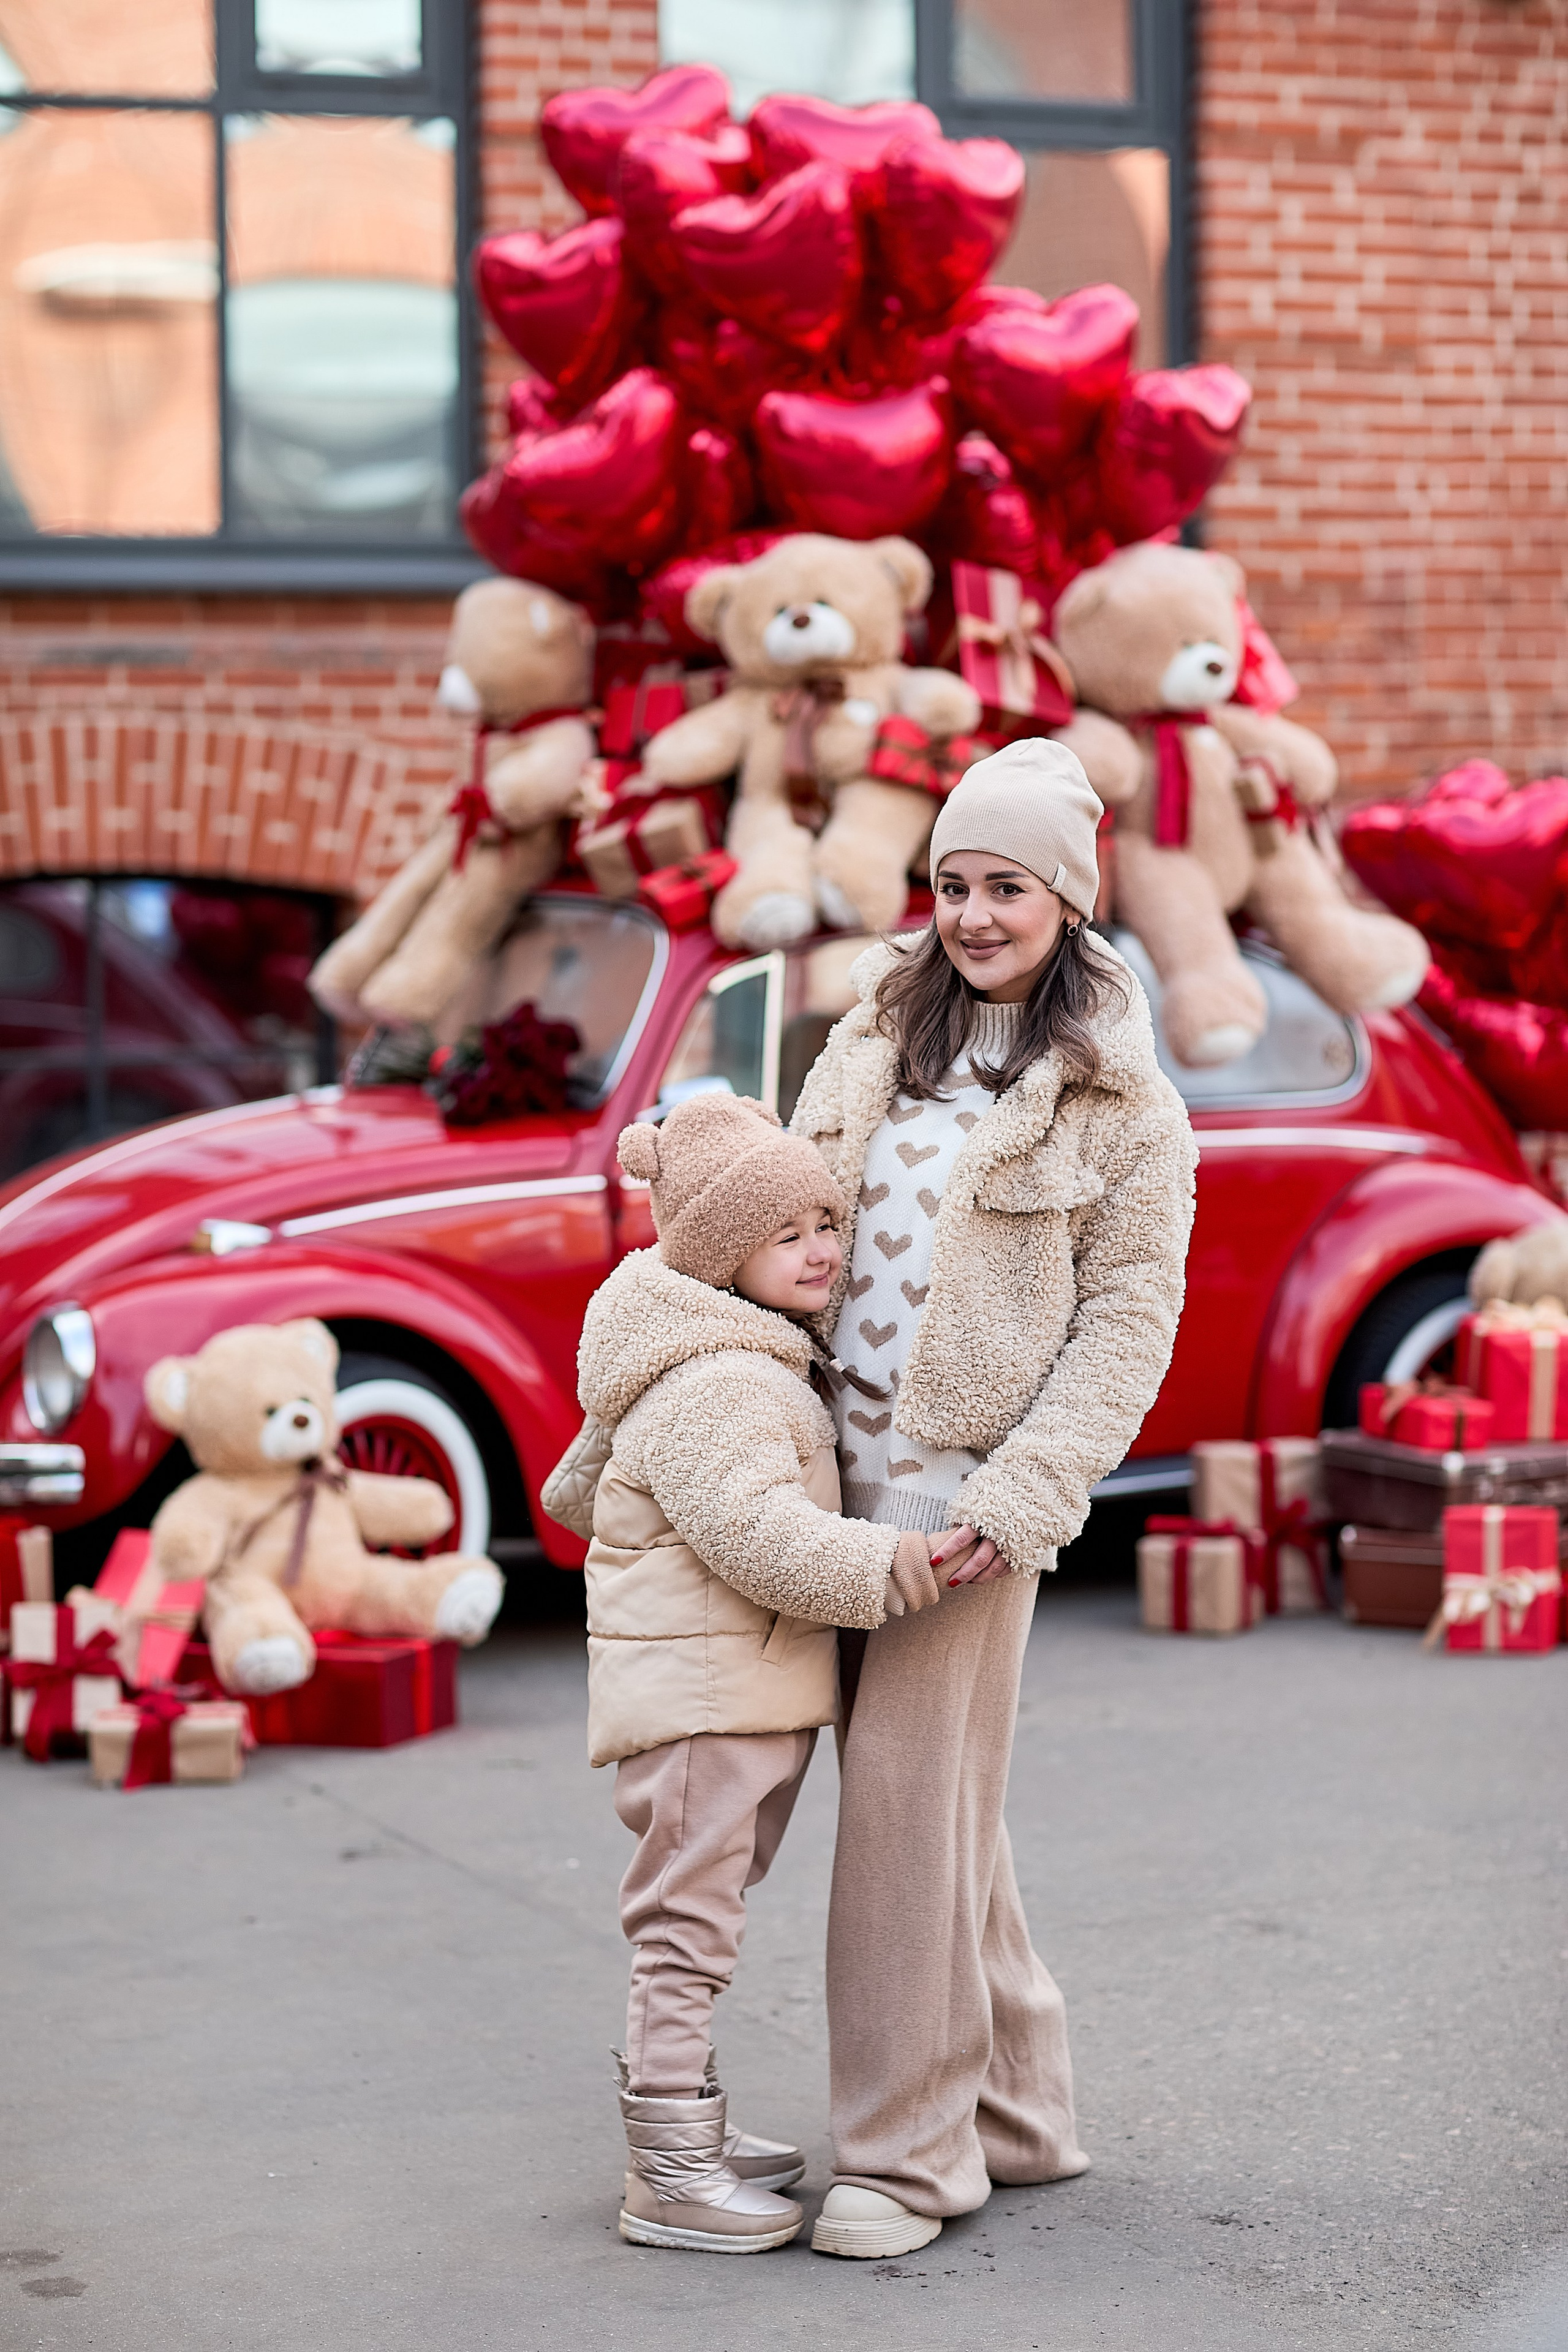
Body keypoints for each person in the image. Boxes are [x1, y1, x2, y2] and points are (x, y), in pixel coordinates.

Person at [791, 737, 1198, 2260]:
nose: (968, 914)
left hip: (963, 1511)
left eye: (1004, 888)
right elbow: (798, 1201)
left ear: (1065, 904)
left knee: (900, 1817)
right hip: (820, 1485)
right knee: (935, 1806)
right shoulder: (872, 1033)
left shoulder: (1122, 1103)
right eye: (952, 882)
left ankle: (906, 2163)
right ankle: (1023, 2113)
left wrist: (1020, 1499)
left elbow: (1125, 1327)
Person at [541, 1091, 944, 2255]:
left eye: (829, 1220)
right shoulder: (720, 1383)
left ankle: (691, 2131)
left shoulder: (751, 1358)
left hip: (734, 1700)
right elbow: (760, 1539)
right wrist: (900, 1565)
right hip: (701, 1711)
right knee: (684, 1929)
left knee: (701, 1916)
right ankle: (667, 2170)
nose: (825, 1248)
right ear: (725, 1254)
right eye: (789, 1234)